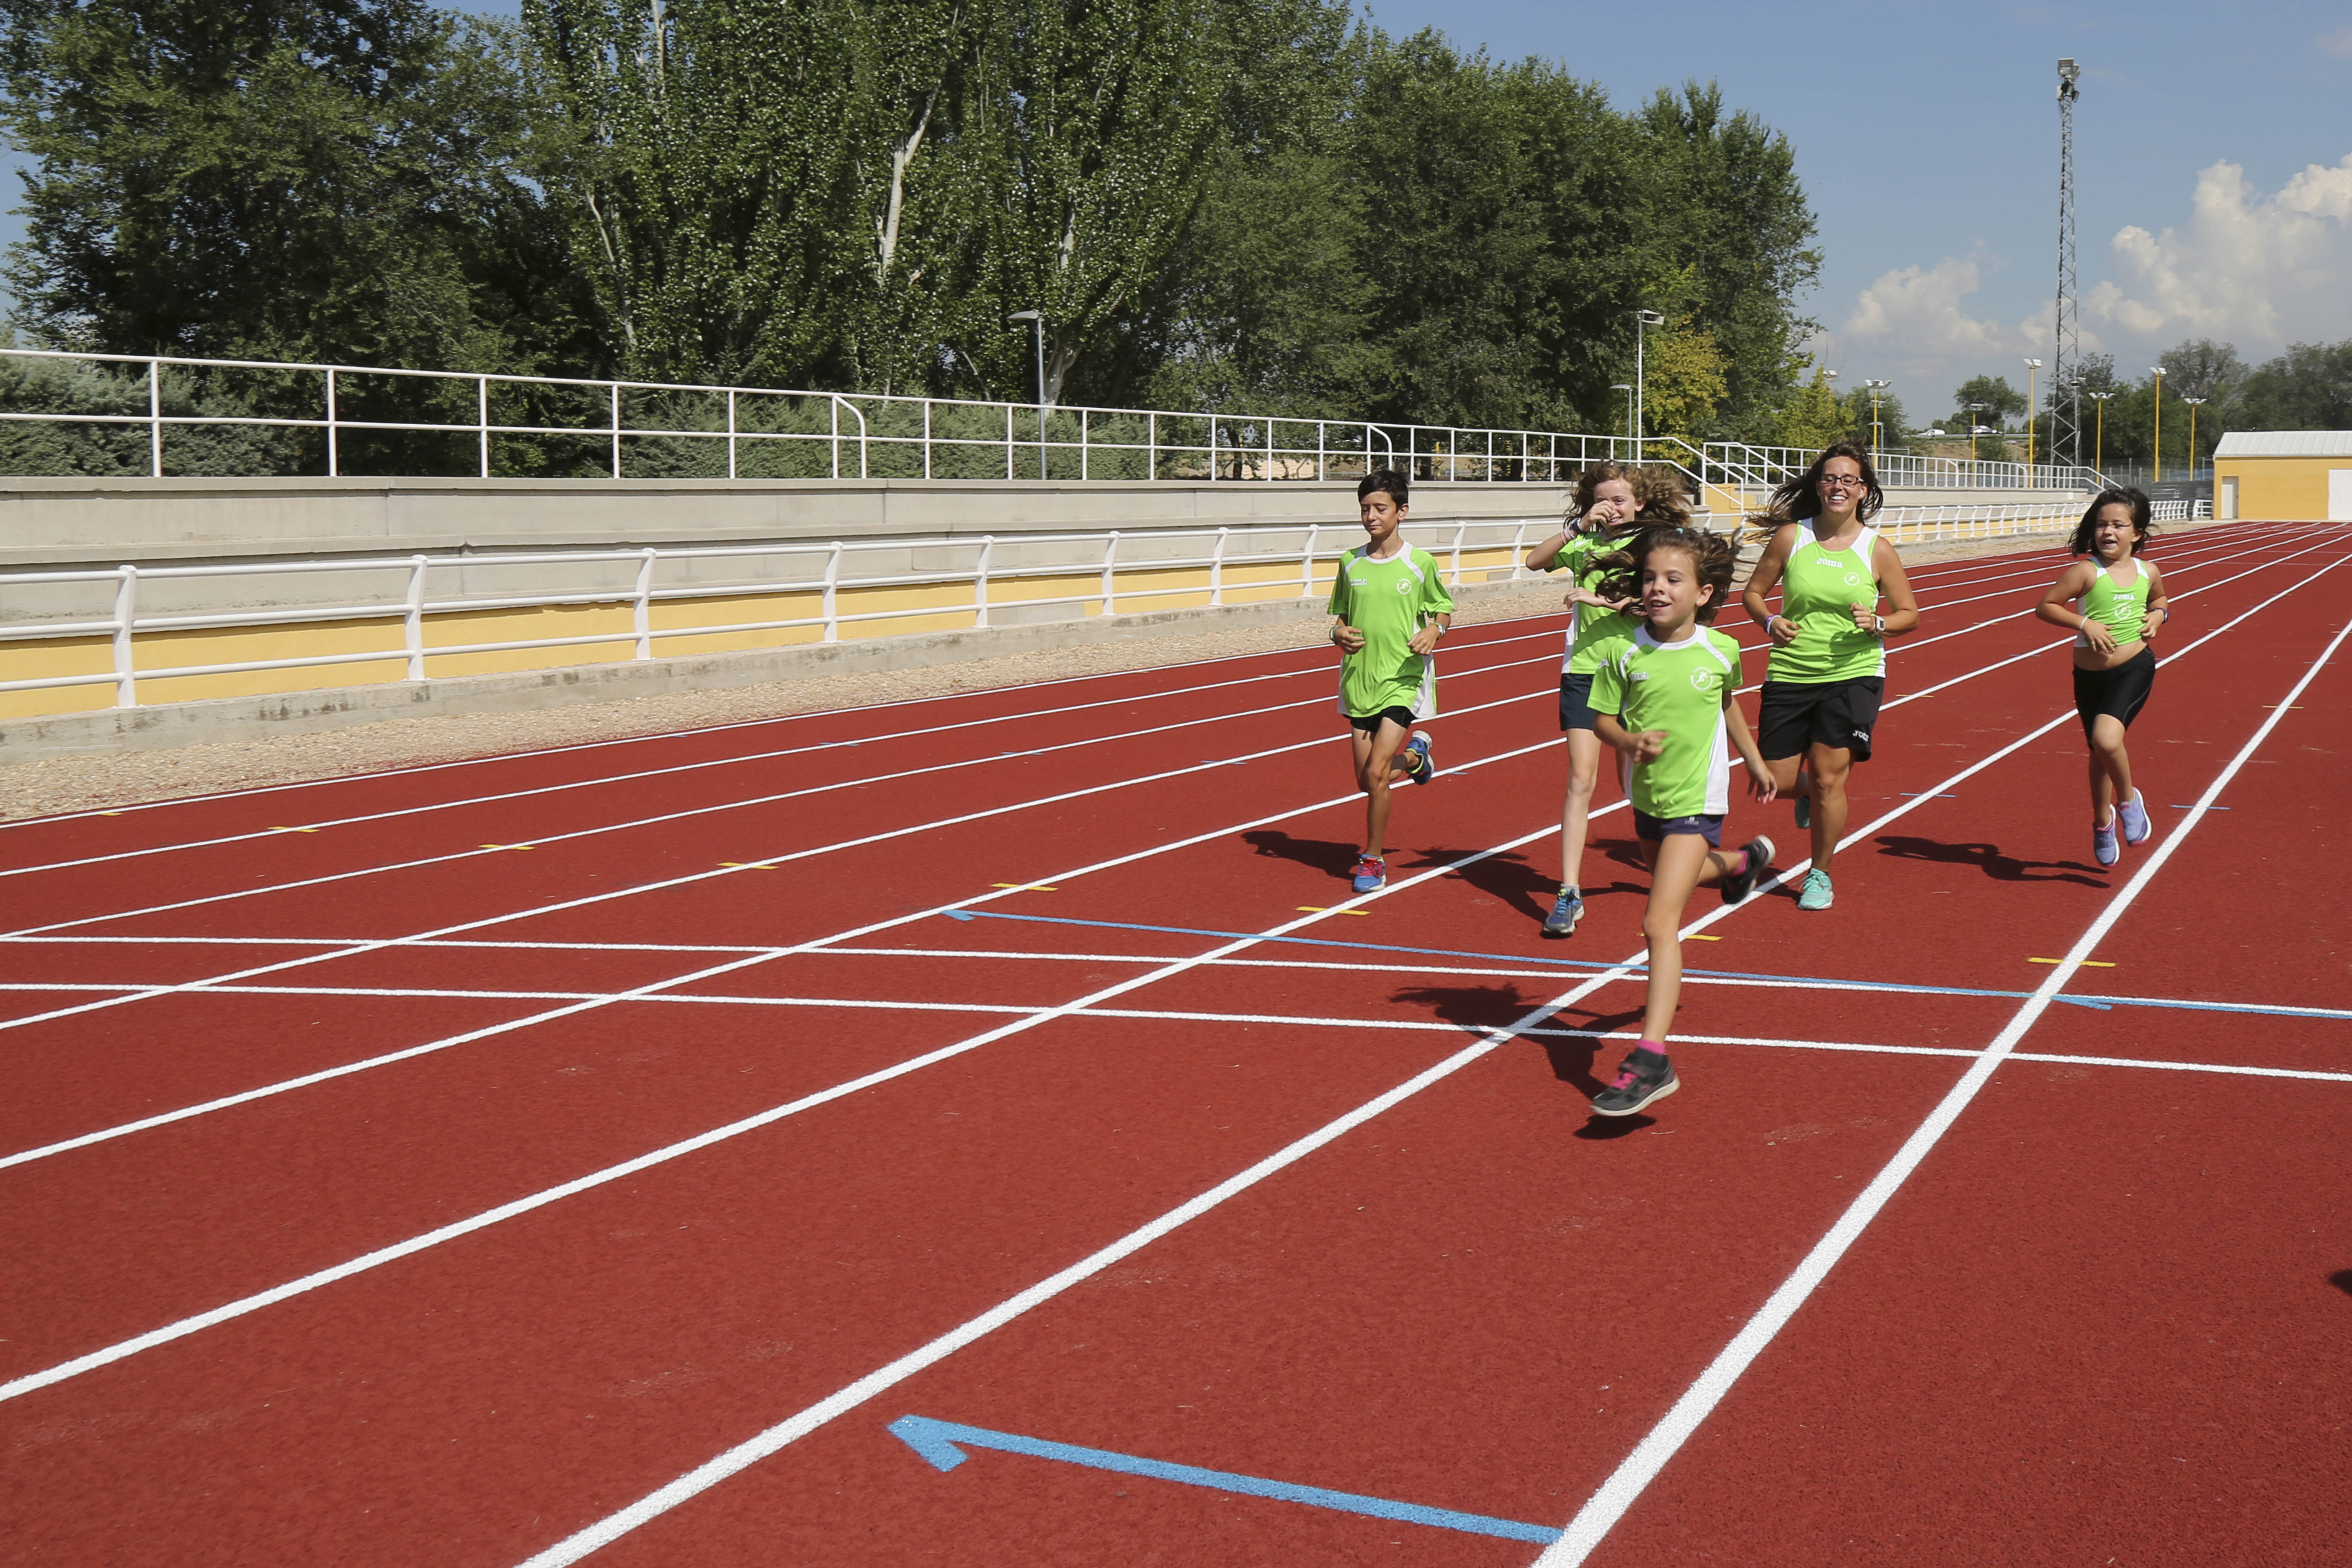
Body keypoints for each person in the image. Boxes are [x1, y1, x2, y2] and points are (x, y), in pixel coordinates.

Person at [1586, 523, 1777, 1116]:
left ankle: (1651, 1058)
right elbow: (1602, 722)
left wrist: (1754, 759)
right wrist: (1630, 741)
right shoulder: (1622, 650)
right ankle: (1742, 863)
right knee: (1674, 879)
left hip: (1700, 799)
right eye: (1649, 577)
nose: (1658, 588)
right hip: (1647, 798)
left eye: (1673, 579)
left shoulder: (1722, 650)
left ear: (1704, 592)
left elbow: (1726, 703)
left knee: (1657, 922)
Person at [1738, 442, 1921, 911]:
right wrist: (1768, 622)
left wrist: (1878, 624)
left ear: (1864, 490)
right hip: (1792, 671)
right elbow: (1755, 593)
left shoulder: (1876, 549)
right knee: (1775, 779)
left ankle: (1819, 874)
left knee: (1827, 778)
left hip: (1854, 673)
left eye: (1849, 480)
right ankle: (1810, 798)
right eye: (1830, 478)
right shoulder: (1790, 538)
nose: (1838, 486)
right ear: (1818, 485)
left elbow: (1909, 615)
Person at [1523, 463, 1692, 938]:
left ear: (1639, 502)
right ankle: (1569, 892)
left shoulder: (1653, 546)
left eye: (1621, 499)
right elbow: (1535, 562)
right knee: (1581, 778)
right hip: (1584, 673)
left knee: (1638, 782)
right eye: (1603, 499)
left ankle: (1665, 865)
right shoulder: (1583, 544)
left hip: (1638, 671)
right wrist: (1577, 526)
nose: (1612, 507)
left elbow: (1665, 605)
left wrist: (1607, 603)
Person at [1328, 468, 1454, 893]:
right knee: (1366, 780)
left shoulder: (1419, 563)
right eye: (1364, 509)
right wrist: (1337, 634)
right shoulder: (1350, 562)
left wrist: (1434, 631)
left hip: (1403, 677)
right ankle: (1417, 759)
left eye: (1379, 508)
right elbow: (1341, 617)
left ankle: (1373, 859)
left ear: (1401, 512)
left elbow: (1443, 610)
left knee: (1379, 771)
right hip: (1360, 679)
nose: (1370, 516)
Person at [2035, 488, 2168, 867]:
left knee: (2106, 739)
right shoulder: (2085, 572)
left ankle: (2129, 801)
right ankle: (2102, 822)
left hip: (2134, 667)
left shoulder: (2148, 572)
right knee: (2098, 751)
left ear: (2137, 533)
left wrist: (2159, 616)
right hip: (2089, 676)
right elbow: (2045, 607)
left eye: (2118, 525)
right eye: (2102, 524)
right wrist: (2084, 622)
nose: (2108, 532)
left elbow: (2160, 600)